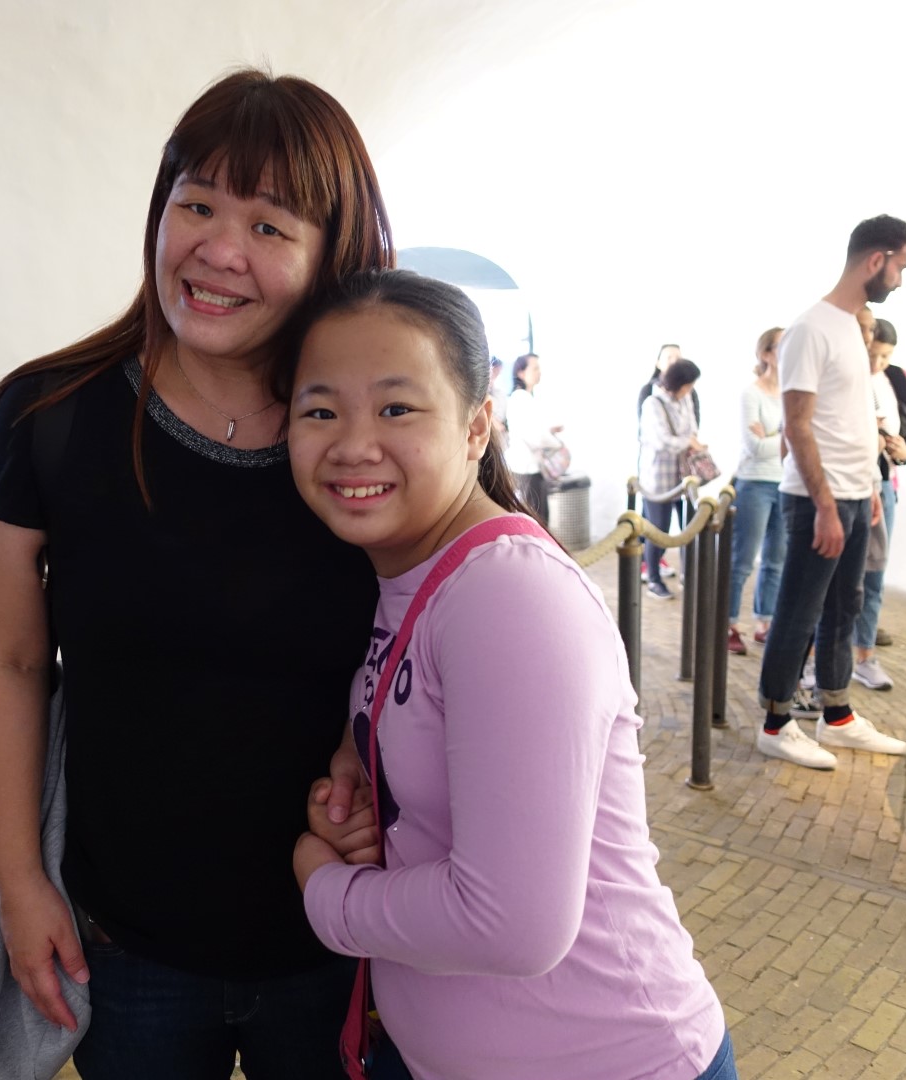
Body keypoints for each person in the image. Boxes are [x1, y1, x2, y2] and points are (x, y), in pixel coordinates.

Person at [0, 69, 393, 1079]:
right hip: (125, 950)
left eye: (270, 226)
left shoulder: (375, 445)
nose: (218, 249)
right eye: (196, 204)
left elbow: (473, 612)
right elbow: (8, 660)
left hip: (343, 939)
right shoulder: (51, 417)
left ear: (333, 254)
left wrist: (362, 746)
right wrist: (21, 884)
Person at [287, 269, 734, 1080]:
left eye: (396, 408)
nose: (353, 444)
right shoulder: (409, 573)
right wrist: (364, 781)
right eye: (320, 411)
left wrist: (326, 893)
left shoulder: (505, 594)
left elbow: (513, 926)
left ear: (476, 427)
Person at [755, 215, 906, 770]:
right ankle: (775, 723)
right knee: (798, 612)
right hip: (815, 501)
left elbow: (851, 419)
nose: (900, 278)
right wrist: (825, 505)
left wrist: (867, 486)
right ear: (876, 259)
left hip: (852, 495)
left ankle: (837, 715)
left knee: (844, 607)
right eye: (900, 266)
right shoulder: (811, 329)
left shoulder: (852, 326)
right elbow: (797, 425)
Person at [852, 317, 906, 688]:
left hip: (883, 483)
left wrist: (905, 451)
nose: (877, 363)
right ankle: (818, 661)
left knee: (874, 574)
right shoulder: (846, 375)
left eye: (885, 356)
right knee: (838, 579)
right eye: (872, 354)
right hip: (849, 485)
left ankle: (865, 655)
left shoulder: (895, 378)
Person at [725, 327, 787, 655]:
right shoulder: (751, 394)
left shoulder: (792, 392)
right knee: (743, 560)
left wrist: (774, 436)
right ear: (766, 354)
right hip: (755, 483)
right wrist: (788, 435)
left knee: (776, 560)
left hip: (786, 482)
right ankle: (728, 624)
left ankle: (765, 622)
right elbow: (756, 447)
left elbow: (804, 437)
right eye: (783, 345)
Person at [638, 359, 706, 601]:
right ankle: (653, 578)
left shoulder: (686, 399)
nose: (690, 389)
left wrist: (690, 440)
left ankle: (688, 575)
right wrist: (688, 442)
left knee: (688, 528)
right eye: (688, 384)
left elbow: (692, 427)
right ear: (679, 382)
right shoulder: (652, 403)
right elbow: (661, 441)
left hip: (683, 476)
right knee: (659, 530)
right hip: (658, 478)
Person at [502, 352, 561, 523]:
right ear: (521, 373)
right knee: (536, 519)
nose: (539, 372)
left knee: (537, 517)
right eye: (535, 368)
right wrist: (555, 443)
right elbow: (535, 436)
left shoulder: (524, 397)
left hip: (529, 468)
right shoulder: (521, 398)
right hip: (526, 469)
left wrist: (549, 432)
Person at [638, 343, 701, 424]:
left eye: (678, 358)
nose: (674, 361)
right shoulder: (649, 390)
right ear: (658, 364)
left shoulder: (688, 391)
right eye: (669, 358)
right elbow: (644, 424)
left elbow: (695, 422)